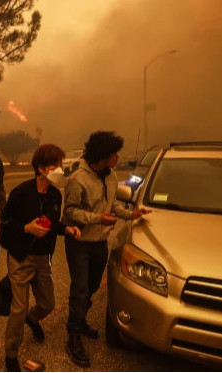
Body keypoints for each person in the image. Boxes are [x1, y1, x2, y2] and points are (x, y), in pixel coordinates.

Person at [62, 131, 151, 367]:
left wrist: (132, 214)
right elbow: (69, 213)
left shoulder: (111, 176)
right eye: (114, 154)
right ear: (102, 155)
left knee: (91, 287)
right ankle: (73, 336)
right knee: (80, 289)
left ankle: (79, 320)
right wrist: (97, 218)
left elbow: (112, 206)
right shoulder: (77, 179)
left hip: (100, 243)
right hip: (79, 243)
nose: (118, 157)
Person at [1, 144, 81, 372]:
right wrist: (26, 228)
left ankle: (33, 318)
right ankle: (10, 354)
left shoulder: (56, 195)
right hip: (20, 257)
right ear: (42, 168)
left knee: (48, 303)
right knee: (18, 308)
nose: (61, 169)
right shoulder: (20, 193)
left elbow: (53, 224)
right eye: (57, 165)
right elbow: (5, 222)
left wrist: (67, 230)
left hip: (42, 258)